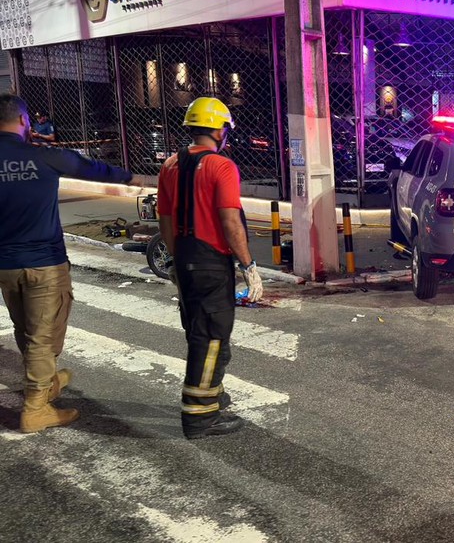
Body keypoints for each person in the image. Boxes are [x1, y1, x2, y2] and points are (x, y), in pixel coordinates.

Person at [0, 95, 134, 433]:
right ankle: (36, 408)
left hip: (5, 264)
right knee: (44, 336)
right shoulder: (44, 156)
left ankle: (43, 382)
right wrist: (126, 175)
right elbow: (88, 167)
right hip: (44, 262)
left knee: (26, 329)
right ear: (24, 121)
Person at [157, 97, 263, 439]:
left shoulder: (171, 165)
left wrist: (175, 261)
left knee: (199, 330)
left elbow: (166, 218)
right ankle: (200, 417)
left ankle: (213, 393)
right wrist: (248, 265)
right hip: (211, 261)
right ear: (220, 130)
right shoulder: (222, 166)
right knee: (212, 336)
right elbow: (230, 220)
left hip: (186, 257)